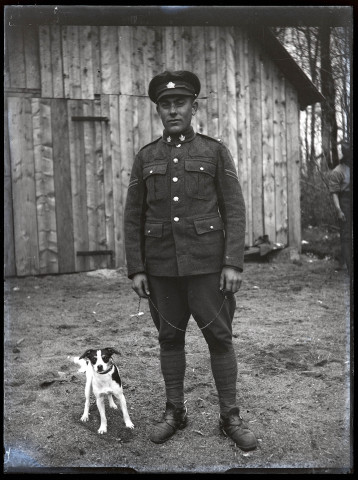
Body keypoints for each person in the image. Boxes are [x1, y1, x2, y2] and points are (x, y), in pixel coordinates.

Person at [124, 70, 257, 451]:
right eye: (165, 105)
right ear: (158, 111)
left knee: (219, 337)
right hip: (162, 267)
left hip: (208, 266)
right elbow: (133, 215)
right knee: (169, 337)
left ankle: (229, 416)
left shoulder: (214, 151)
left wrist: (233, 262)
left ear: (193, 107)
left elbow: (234, 208)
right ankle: (174, 411)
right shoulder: (146, 157)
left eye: (179, 103)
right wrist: (136, 268)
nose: (172, 110)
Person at [328, 141, 351, 273]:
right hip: (345, 202)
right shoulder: (337, 171)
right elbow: (334, 193)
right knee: (346, 235)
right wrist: (339, 210)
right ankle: (348, 266)